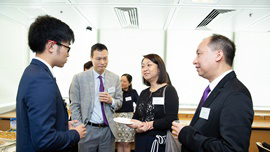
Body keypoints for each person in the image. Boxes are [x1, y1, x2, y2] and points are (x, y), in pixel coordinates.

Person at [172, 34, 254, 152]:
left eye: (199, 54)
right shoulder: (214, 89)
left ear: (218, 55)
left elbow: (232, 149)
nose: (194, 61)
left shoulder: (236, 95)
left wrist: (186, 134)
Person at [16, 15, 86, 152]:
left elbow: (39, 126)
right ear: (51, 46)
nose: (68, 54)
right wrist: (75, 134)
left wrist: (64, 126)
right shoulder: (41, 80)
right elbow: (44, 140)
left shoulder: (33, 72)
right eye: (67, 47)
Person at [69, 43, 123, 152]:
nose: (102, 62)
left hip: (108, 130)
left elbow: (119, 102)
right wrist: (79, 126)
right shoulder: (79, 78)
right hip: (87, 129)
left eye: (105, 58)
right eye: (98, 59)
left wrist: (111, 101)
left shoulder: (115, 78)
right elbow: (74, 105)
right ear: (91, 58)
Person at [128, 54, 179, 152]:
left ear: (159, 68)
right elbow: (136, 117)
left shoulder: (169, 90)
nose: (145, 69)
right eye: (142, 66)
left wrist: (149, 124)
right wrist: (137, 127)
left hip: (159, 143)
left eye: (149, 65)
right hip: (140, 140)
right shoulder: (143, 93)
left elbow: (171, 120)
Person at [115, 74, 139, 152]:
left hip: (128, 119)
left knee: (127, 143)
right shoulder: (116, 92)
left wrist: (135, 117)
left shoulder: (133, 92)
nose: (122, 83)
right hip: (117, 119)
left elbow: (139, 105)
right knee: (119, 143)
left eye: (124, 81)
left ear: (129, 83)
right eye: (121, 81)